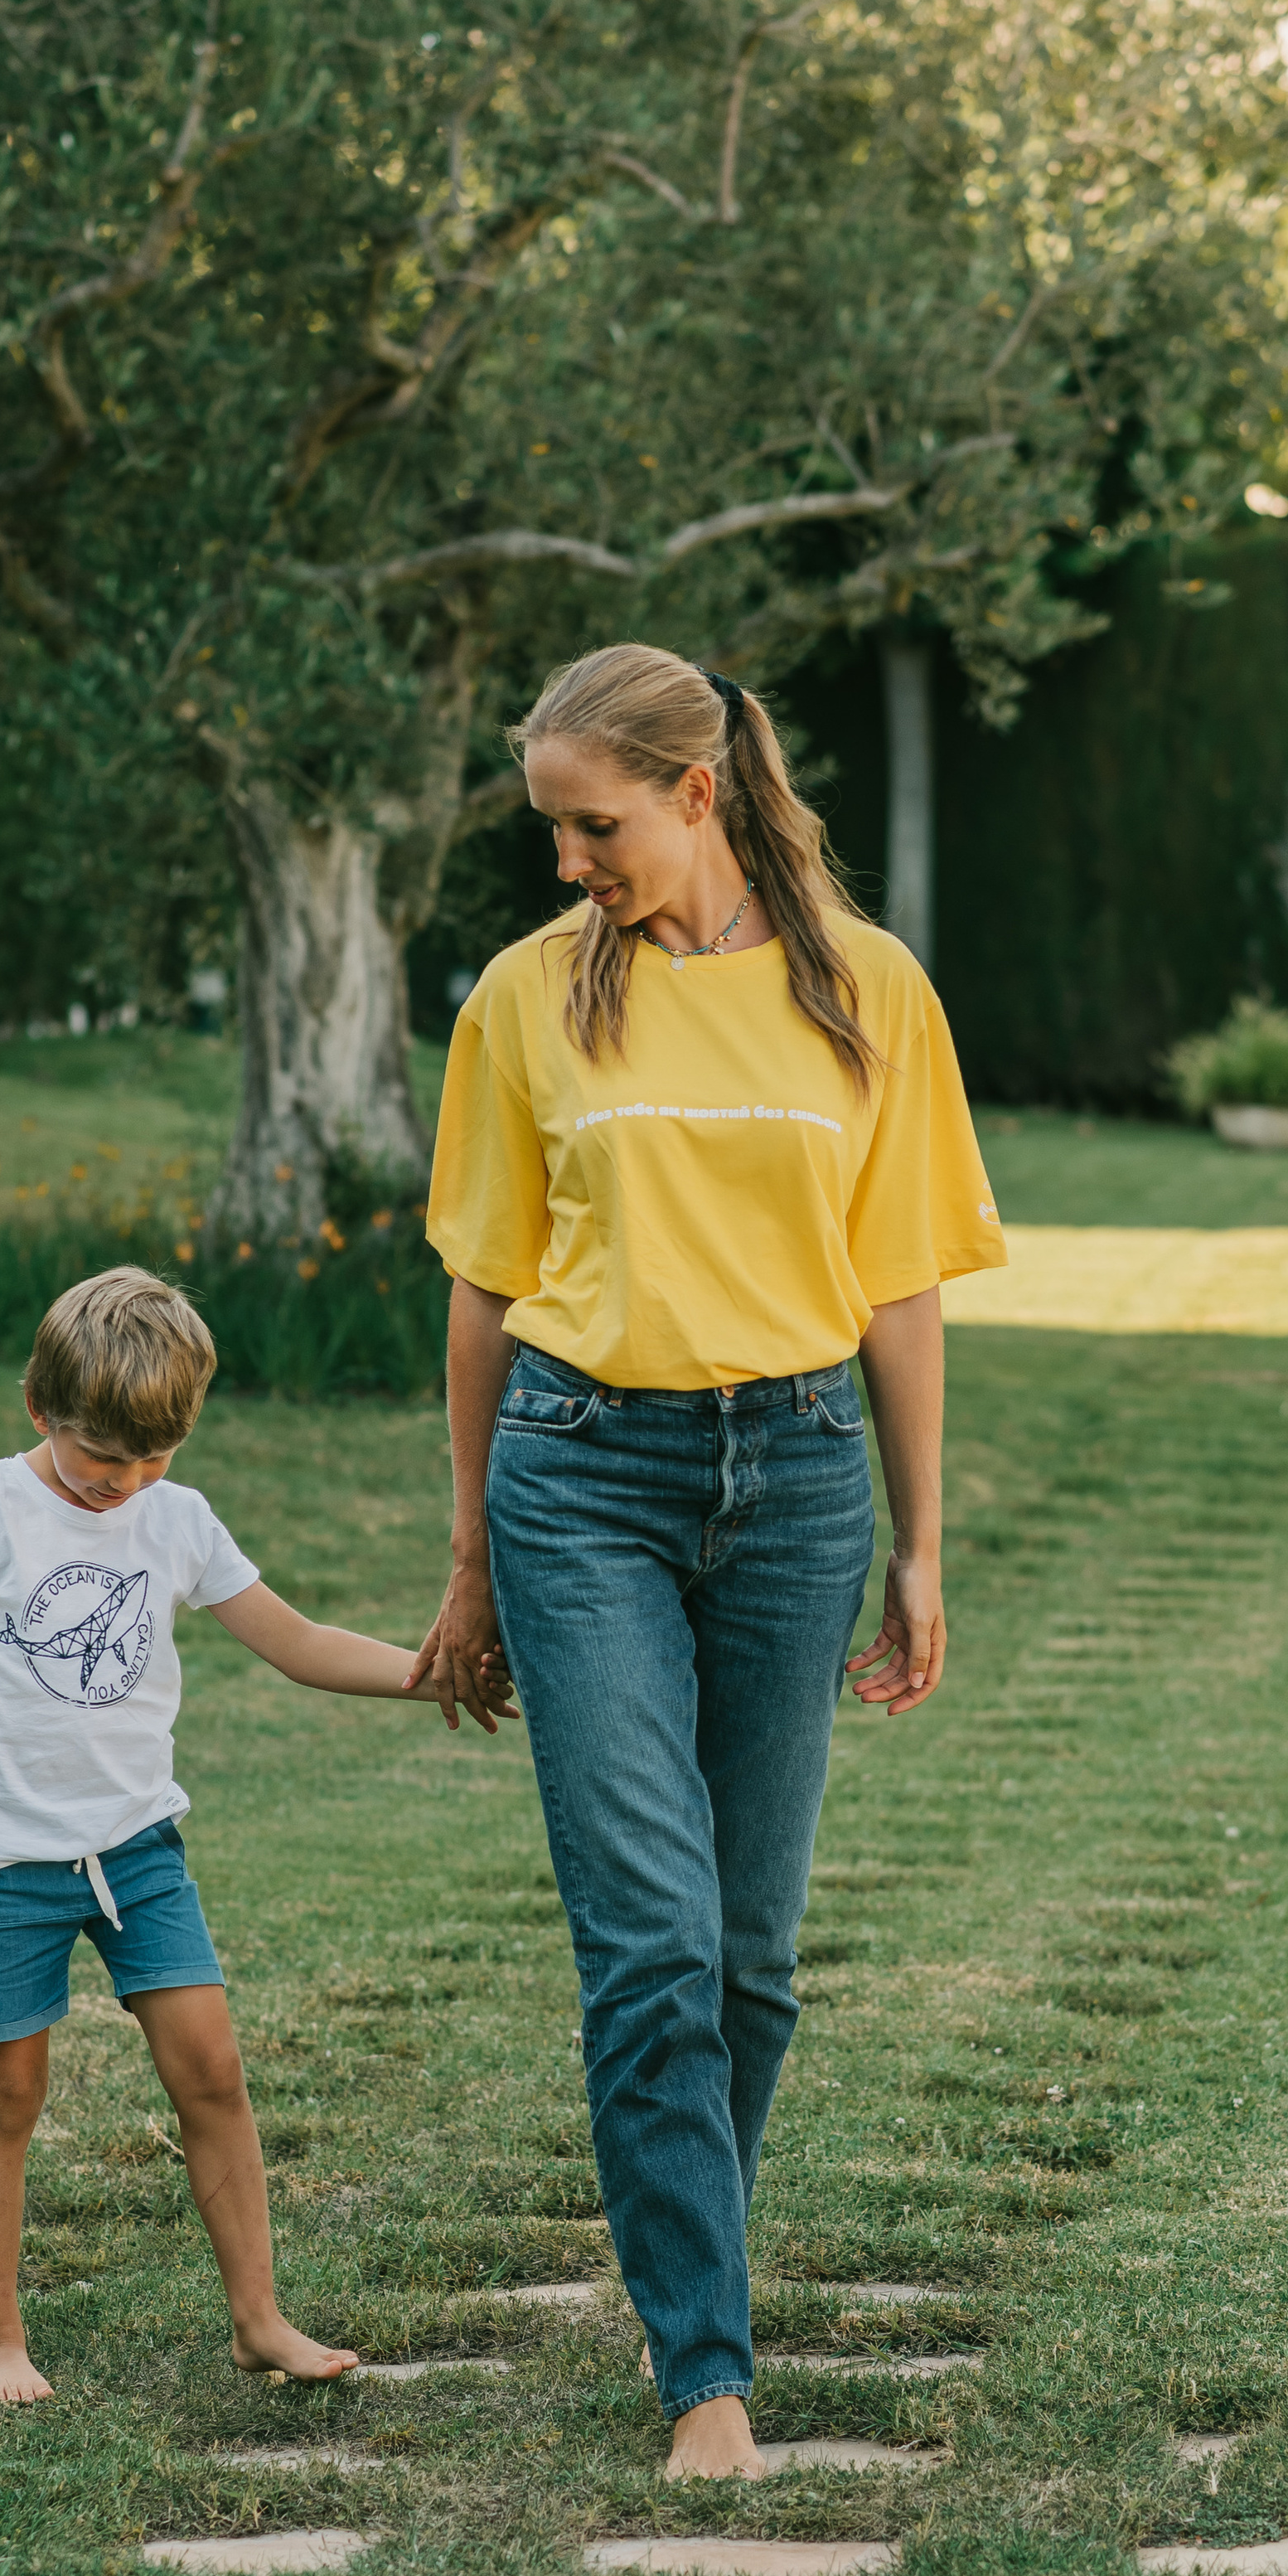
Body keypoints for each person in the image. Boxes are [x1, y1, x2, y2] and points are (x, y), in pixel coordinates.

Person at [414, 643, 1006, 2481]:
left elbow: (899, 1283)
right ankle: (705, 2373)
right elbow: (486, 1287)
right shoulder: (526, 1000)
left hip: (804, 1480)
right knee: (650, 1944)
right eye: (550, 828)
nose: (565, 861)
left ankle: (683, 2250)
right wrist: (468, 1558)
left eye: (592, 825)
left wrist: (917, 1544)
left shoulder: (867, 994)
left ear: (694, 792)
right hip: (578, 1477)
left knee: (749, 1961)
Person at [0, 1264, 513, 2404]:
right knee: (7, 2094)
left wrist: (434, 1674)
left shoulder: (177, 1518)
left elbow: (297, 1639)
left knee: (211, 2069)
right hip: (1, 1860)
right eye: (102, 1461)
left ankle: (259, 2322)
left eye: (153, 1461)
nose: (125, 1485)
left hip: (139, 1851)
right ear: (39, 1411)